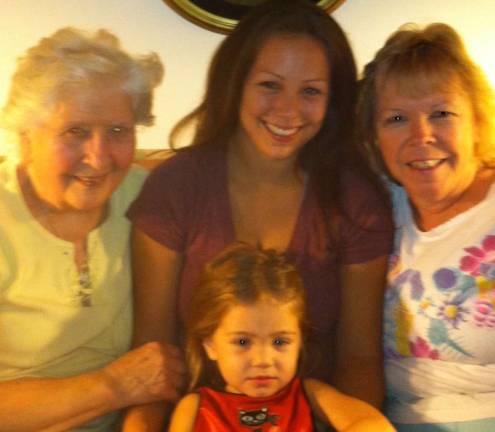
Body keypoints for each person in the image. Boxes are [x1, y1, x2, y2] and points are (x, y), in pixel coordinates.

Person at [125, 0, 393, 428]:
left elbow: (358, 359)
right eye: (270, 85)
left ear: (333, 101)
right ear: (236, 85)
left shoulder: (355, 201)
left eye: (310, 91)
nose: (287, 111)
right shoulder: (175, 188)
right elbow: (152, 358)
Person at [0, 27, 185, 431]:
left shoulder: (147, 196)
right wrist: (113, 386)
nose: (99, 158)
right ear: (26, 136)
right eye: (75, 132)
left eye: (118, 131)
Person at [358, 22, 495, 431]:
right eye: (397, 118)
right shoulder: (378, 206)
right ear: (375, 138)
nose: (422, 136)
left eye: (441, 113)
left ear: (478, 122)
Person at [169, 242, 394, 432]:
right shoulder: (196, 408)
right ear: (210, 345)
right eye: (243, 342)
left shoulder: (309, 394)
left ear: (299, 340)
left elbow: (373, 424)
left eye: (280, 342)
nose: (263, 360)